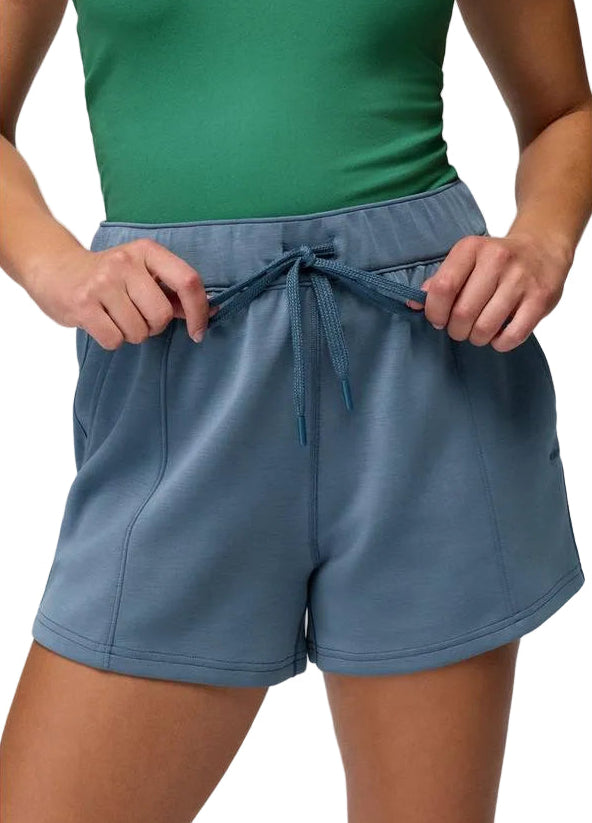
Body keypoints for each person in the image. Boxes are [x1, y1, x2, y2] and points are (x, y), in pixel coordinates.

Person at [1, 0, 591, 820]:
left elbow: (564, 111)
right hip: (179, 350)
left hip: (425, 350)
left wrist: (542, 243)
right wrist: (55, 267)